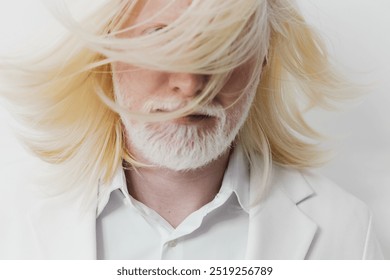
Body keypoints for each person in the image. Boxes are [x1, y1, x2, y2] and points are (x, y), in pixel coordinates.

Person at [0, 0, 383, 259]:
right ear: (109, 49)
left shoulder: (348, 229)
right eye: (161, 37)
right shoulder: (12, 218)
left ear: (265, 57)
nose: (191, 82)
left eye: (227, 44)